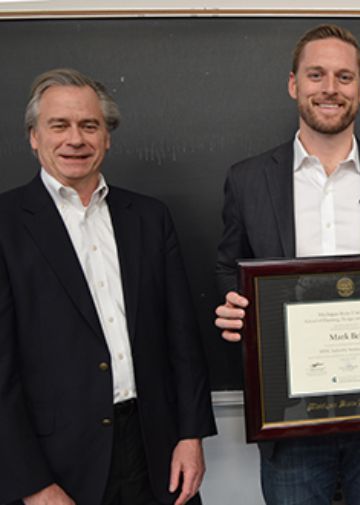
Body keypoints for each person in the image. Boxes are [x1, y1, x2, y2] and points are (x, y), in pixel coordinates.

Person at [214, 24, 360, 505]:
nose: (330, 88)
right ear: (294, 84)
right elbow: (229, 269)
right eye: (316, 75)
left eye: (344, 77)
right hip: (290, 419)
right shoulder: (247, 180)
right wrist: (233, 307)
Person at [0, 68, 216, 505]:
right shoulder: (5, 225)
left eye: (89, 125)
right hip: (56, 465)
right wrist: (31, 484)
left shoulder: (150, 218)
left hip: (155, 450)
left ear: (107, 137)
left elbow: (183, 340)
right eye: (59, 125)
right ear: (33, 137)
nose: (75, 139)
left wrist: (191, 436)